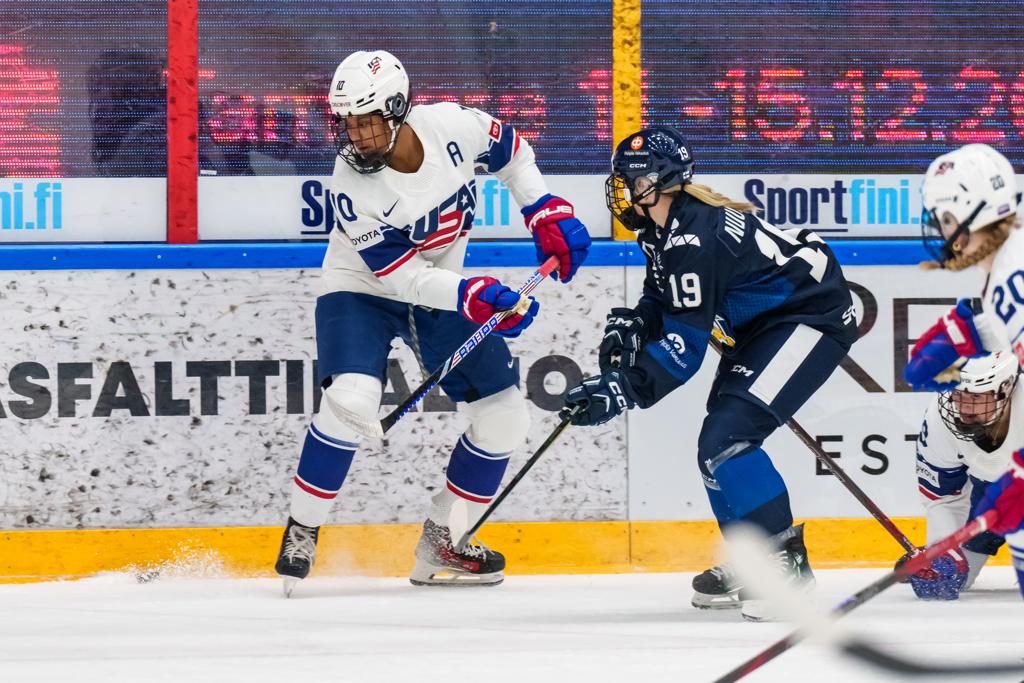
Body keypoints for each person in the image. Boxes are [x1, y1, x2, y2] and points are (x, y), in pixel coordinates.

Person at [274, 50, 591, 595]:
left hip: (440, 289)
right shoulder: (350, 182)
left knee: (505, 418)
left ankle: (447, 539)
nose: (358, 135)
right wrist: (474, 295)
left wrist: (543, 208)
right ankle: (302, 527)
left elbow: (515, 154)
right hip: (361, 291)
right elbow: (404, 280)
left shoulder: (453, 125)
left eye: (368, 120)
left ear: (398, 108)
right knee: (351, 399)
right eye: (349, 122)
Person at [560, 127, 858, 621]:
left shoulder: (694, 237)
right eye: (623, 180)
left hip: (811, 317)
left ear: (663, 181)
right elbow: (666, 296)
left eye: (635, 180)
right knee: (714, 448)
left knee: (729, 439)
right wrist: (640, 321)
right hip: (764, 324)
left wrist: (622, 388)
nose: (625, 189)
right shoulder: (661, 228)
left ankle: (787, 568)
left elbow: (684, 351)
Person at [903, 143, 1024, 598]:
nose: (942, 231)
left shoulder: (1015, 270)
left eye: (945, 218)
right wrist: (968, 328)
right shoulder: (1003, 273)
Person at [901, 351, 1021, 599]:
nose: (964, 408)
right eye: (958, 394)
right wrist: (944, 549)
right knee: (952, 578)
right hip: (991, 495)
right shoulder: (939, 419)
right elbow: (943, 496)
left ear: (1005, 388)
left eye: (976, 397)